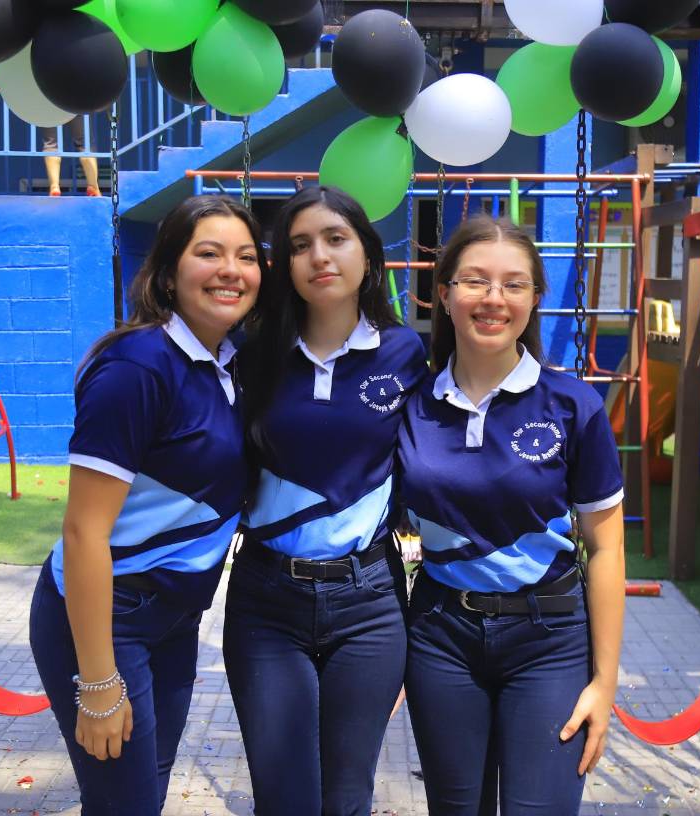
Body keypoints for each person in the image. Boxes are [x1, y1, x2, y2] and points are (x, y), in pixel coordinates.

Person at [28, 196, 264, 815]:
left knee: (142, 793)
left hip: (174, 619)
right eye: (208, 253)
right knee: (122, 803)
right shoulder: (138, 365)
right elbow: (83, 533)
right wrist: (99, 682)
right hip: (109, 618)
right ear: (167, 272)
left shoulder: (230, 364)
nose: (230, 270)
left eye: (246, 256)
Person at [398, 216, 626, 814]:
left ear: (533, 299)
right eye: (475, 281)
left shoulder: (574, 406)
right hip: (440, 635)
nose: (493, 299)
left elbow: (606, 550)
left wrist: (604, 683)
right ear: (444, 294)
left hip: (548, 640)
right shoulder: (410, 404)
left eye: (514, 284)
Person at [226, 186, 429, 815]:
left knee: (346, 796)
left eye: (336, 239)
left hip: (369, 600)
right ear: (284, 265)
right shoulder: (251, 354)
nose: (319, 256)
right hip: (266, 600)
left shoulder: (405, 353)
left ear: (367, 254)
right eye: (300, 245)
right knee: (283, 797)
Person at [41, 116, 100, 197]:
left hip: (51, 105)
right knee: (85, 144)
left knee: (51, 144)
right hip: (75, 104)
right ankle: (93, 186)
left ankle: (54, 186)